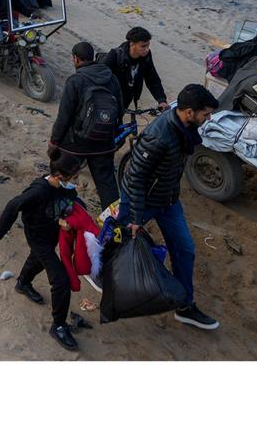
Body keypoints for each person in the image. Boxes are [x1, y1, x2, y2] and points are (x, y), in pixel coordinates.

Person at [117, 83, 221, 331]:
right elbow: (135, 177)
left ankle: (185, 306)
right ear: (188, 112)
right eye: (205, 114)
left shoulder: (185, 130)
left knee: (185, 249)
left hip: (168, 201)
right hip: (141, 202)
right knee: (119, 247)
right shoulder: (159, 136)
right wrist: (135, 217)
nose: (209, 118)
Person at [0, 152, 85, 351]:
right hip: (37, 237)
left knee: (38, 260)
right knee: (61, 280)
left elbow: (71, 202)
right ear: (60, 177)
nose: (77, 182)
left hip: (52, 233)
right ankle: (58, 325)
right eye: (74, 178)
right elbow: (14, 204)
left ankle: (23, 283)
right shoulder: (39, 191)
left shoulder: (64, 188)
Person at [47, 41, 123, 209]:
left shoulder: (75, 80)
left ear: (76, 59)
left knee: (61, 176)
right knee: (107, 186)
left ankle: (55, 213)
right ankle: (114, 227)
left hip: (75, 144)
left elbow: (64, 116)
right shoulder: (111, 78)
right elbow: (120, 109)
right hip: (104, 143)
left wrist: (54, 141)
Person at [101, 26, 170, 113]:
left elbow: (152, 78)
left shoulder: (146, 56)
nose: (147, 49)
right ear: (132, 44)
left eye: (148, 45)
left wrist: (161, 100)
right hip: (109, 99)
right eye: (143, 46)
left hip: (126, 99)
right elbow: (99, 75)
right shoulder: (115, 55)